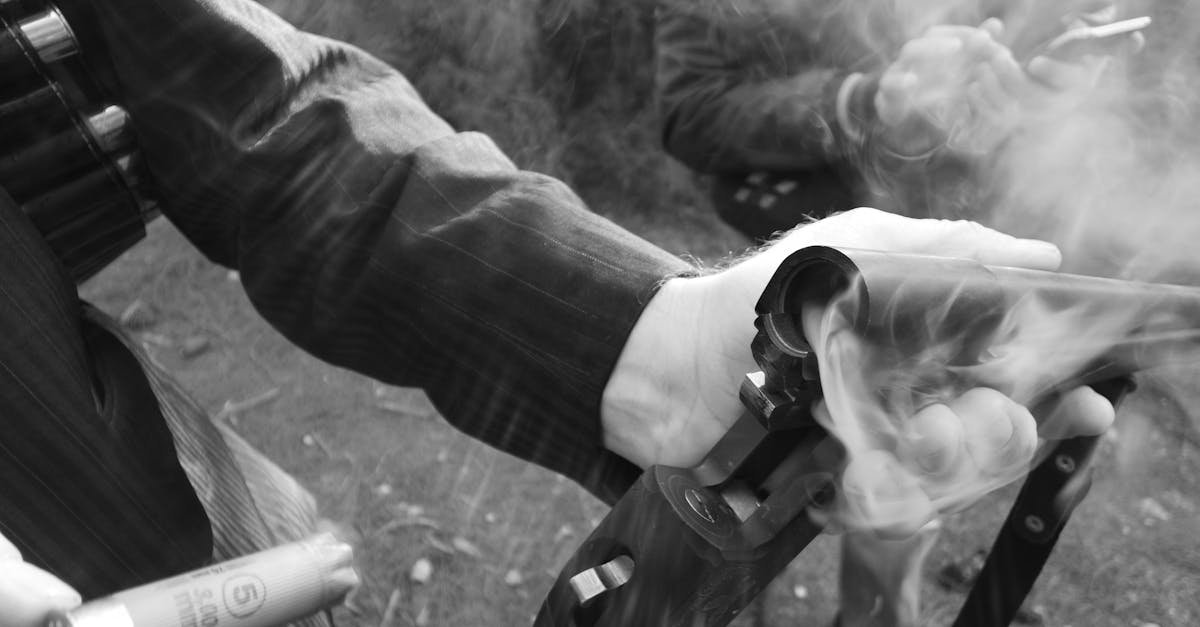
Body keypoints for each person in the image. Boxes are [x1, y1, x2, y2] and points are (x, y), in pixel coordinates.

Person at [0, 0, 1114, 625]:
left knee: (855, 508)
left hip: (193, 548)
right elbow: (700, 117)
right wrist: (852, 105)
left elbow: (268, 119)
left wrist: (644, 334)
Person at [654, 0, 1139, 241]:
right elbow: (691, 113)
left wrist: (1053, 93)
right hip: (806, 224)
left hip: (984, 225)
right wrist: (860, 102)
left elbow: (1070, 22)